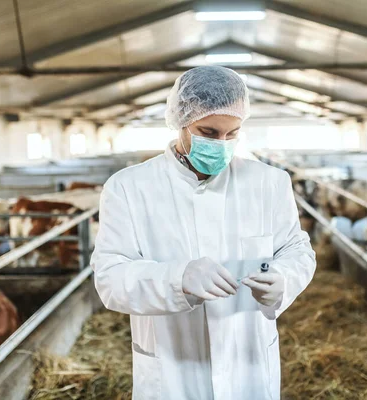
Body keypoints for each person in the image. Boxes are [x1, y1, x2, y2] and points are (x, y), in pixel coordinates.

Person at [91, 65, 316, 400]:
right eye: (208, 133)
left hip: (249, 364)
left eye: (232, 133)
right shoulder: (128, 187)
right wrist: (176, 278)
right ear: (181, 120)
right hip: (172, 371)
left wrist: (283, 279)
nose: (222, 144)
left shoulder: (269, 182)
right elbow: (110, 278)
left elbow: (297, 250)